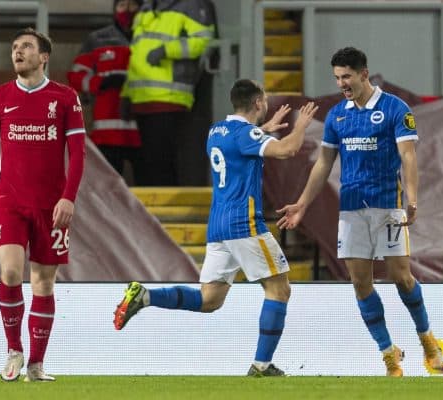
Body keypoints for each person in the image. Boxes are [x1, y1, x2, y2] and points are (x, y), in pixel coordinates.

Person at [113, 79, 318, 376]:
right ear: (258, 103)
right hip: (244, 224)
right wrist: (301, 125)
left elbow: (241, 143)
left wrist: (264, 129)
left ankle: (145, 296)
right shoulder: (246, 134)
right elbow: (287, 150)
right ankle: (262, 365)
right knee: (279, 289)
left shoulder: (216, 131)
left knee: (210, 299)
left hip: (219, 225)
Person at [277, 47, 443, 377]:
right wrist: (302, 202)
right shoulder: (338, 116)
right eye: (337, 78)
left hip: (387, 207)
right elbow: (324, 162)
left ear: (364, 74)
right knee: (359, 283)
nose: (342, 83)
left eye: (347, 76)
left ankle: (427, 338)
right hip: (352, 210)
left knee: (400, 276)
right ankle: (389, 354)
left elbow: (408, 156)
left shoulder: (395, 109)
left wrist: (412, 198)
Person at [0, 28, 86, 382]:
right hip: (10, 201)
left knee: (44, 285)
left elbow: (77, 154)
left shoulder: (64, 98)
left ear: (44, 56)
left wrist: (68, 197)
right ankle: (13, 350)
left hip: (52, 206)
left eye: (26, 47)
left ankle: (36, 364)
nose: (17, 52)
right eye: (15, 47)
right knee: (12, 273)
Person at [124, 0, 216, 186]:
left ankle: (161, 210)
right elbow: (135, 56)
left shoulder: (190, 6)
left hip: (169, 97)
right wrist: (126, 94)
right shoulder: (147, 8)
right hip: (141, 98)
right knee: (146, 162)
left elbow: (204, 41)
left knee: (161, 162)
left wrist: (166, 50)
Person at [67, 0, 141, 179]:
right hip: (108, 133)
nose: (127, 10)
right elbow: (76, 75)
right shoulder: (97, 39)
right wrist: (101, 82)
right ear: (114, 9)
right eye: (122, 5)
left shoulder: (150, 36)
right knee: (108, 189)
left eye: (133, 5)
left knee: (150, 186)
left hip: (144, 128)